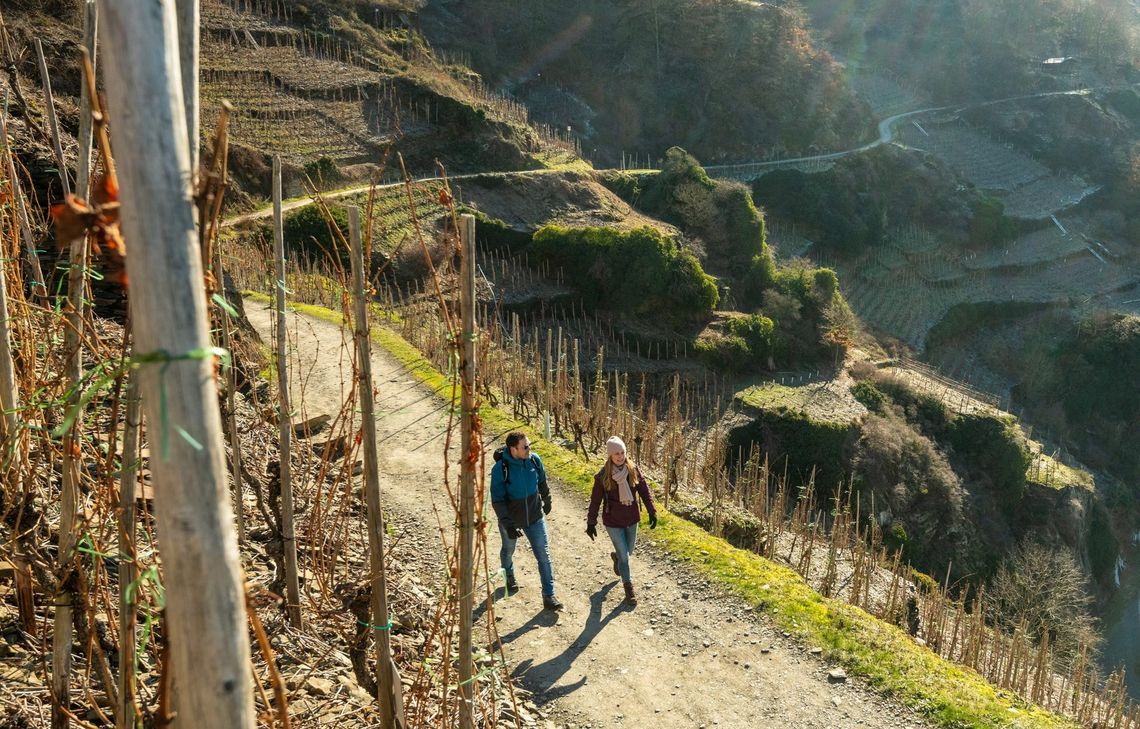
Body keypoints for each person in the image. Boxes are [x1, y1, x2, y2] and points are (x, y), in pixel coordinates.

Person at [490, 431, 563, 611]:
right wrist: (507, 523)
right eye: (525, 447)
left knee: (543, 555)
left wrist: (547, 499)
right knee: (508, 549)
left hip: (535, 516)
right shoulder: (501, 469)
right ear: (513, 449)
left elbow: (542, 481)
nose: (529, 449)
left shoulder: (534, 460)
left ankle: (548, 595)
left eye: (529, 445)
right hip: (511, 519)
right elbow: (497, 500)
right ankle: (509, 575)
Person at [586, 436, 657, 606]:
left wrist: (652, 512)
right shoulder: (603, 476)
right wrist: (591, 522)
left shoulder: (633, 470)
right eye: (616, 453)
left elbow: (645, 492)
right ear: (610, 455)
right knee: (626, 558)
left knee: (628, 551)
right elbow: (595, 501)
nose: (620, 456)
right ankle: (629, 589)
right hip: (613, 521)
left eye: (622, 452)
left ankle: (617, 558)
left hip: (632, 518)